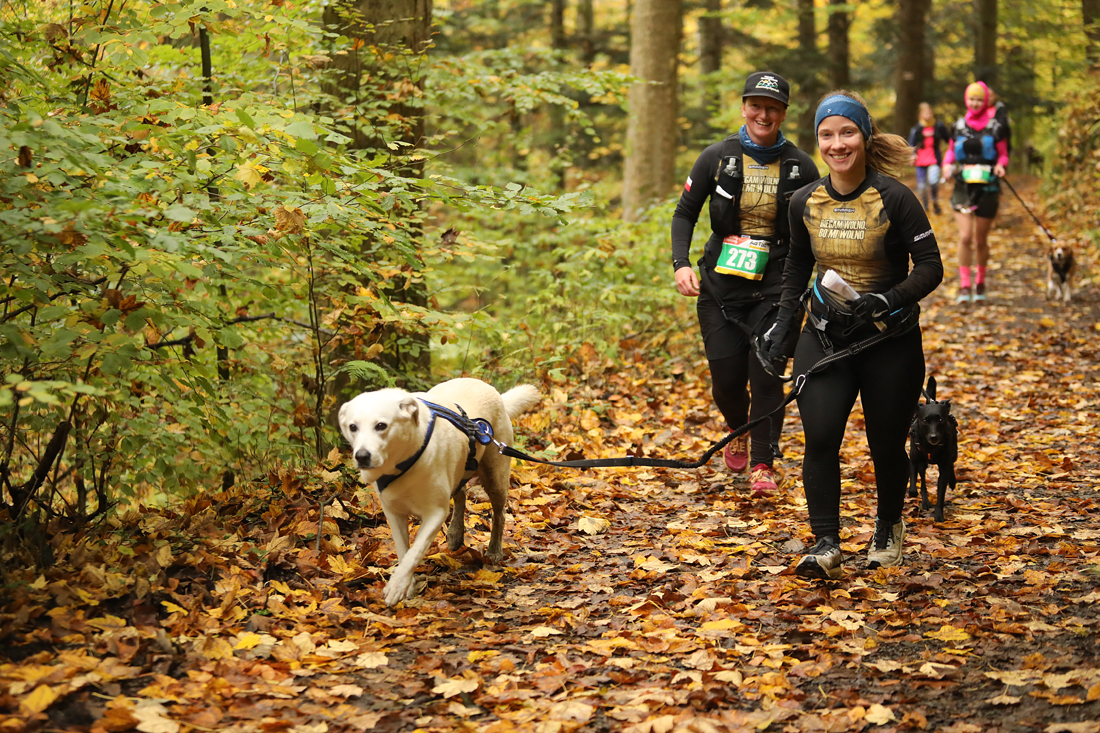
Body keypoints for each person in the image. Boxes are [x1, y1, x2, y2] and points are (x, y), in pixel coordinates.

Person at [759, 91, 944, 578]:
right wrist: (782, 330)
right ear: (817, 140)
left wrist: (887, 299)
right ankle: (826, 543)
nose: (837, 144)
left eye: (847, 132)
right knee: (820, 437)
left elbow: (931, 266)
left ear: (864, 137)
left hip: (889, 341)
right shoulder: (804, 200)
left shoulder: (895, 197)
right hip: (825, 337)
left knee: (885, 445)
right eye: (827, 134)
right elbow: (796, 268)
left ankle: (887, 526)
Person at [671, 71, 819, 495]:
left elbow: (816, 227)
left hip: (777, 286)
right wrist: (681, 264)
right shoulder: (716, 157)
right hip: (720, 286)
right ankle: (739, 426)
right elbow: (685, 212)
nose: (763, 115)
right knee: (726, 382)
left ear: (784, 114)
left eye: (772, 108)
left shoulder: (801, 166)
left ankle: (762, 462)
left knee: (767, 374)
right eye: (756, 106)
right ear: (743, 108)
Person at [943, 81, 1009, 304]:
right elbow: (951, 152)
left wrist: (1001, 165)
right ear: (966, 100)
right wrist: (946, 165)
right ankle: (964, 285)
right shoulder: (958, 126)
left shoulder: (996, 126)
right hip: (963, 185)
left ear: (985, 101)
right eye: (972, 99)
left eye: (979, 99)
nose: (975, 103)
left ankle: (980, 282)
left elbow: (1003, 154)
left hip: (988, 185)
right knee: (965, 237)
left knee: (980, 240)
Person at [907, 102, 951, 214]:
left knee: (933, 181)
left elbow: (949, 140)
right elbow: (911, 144)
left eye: (929, 112)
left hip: (934, 159)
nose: (928, 115)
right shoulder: (917, 129)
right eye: (925, 113)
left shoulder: (938, 126)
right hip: (920, 160)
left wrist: (950, 154)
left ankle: (935, 200)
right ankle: (925, 206)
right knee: (922, 186)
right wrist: (912, 155)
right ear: (920, 115)